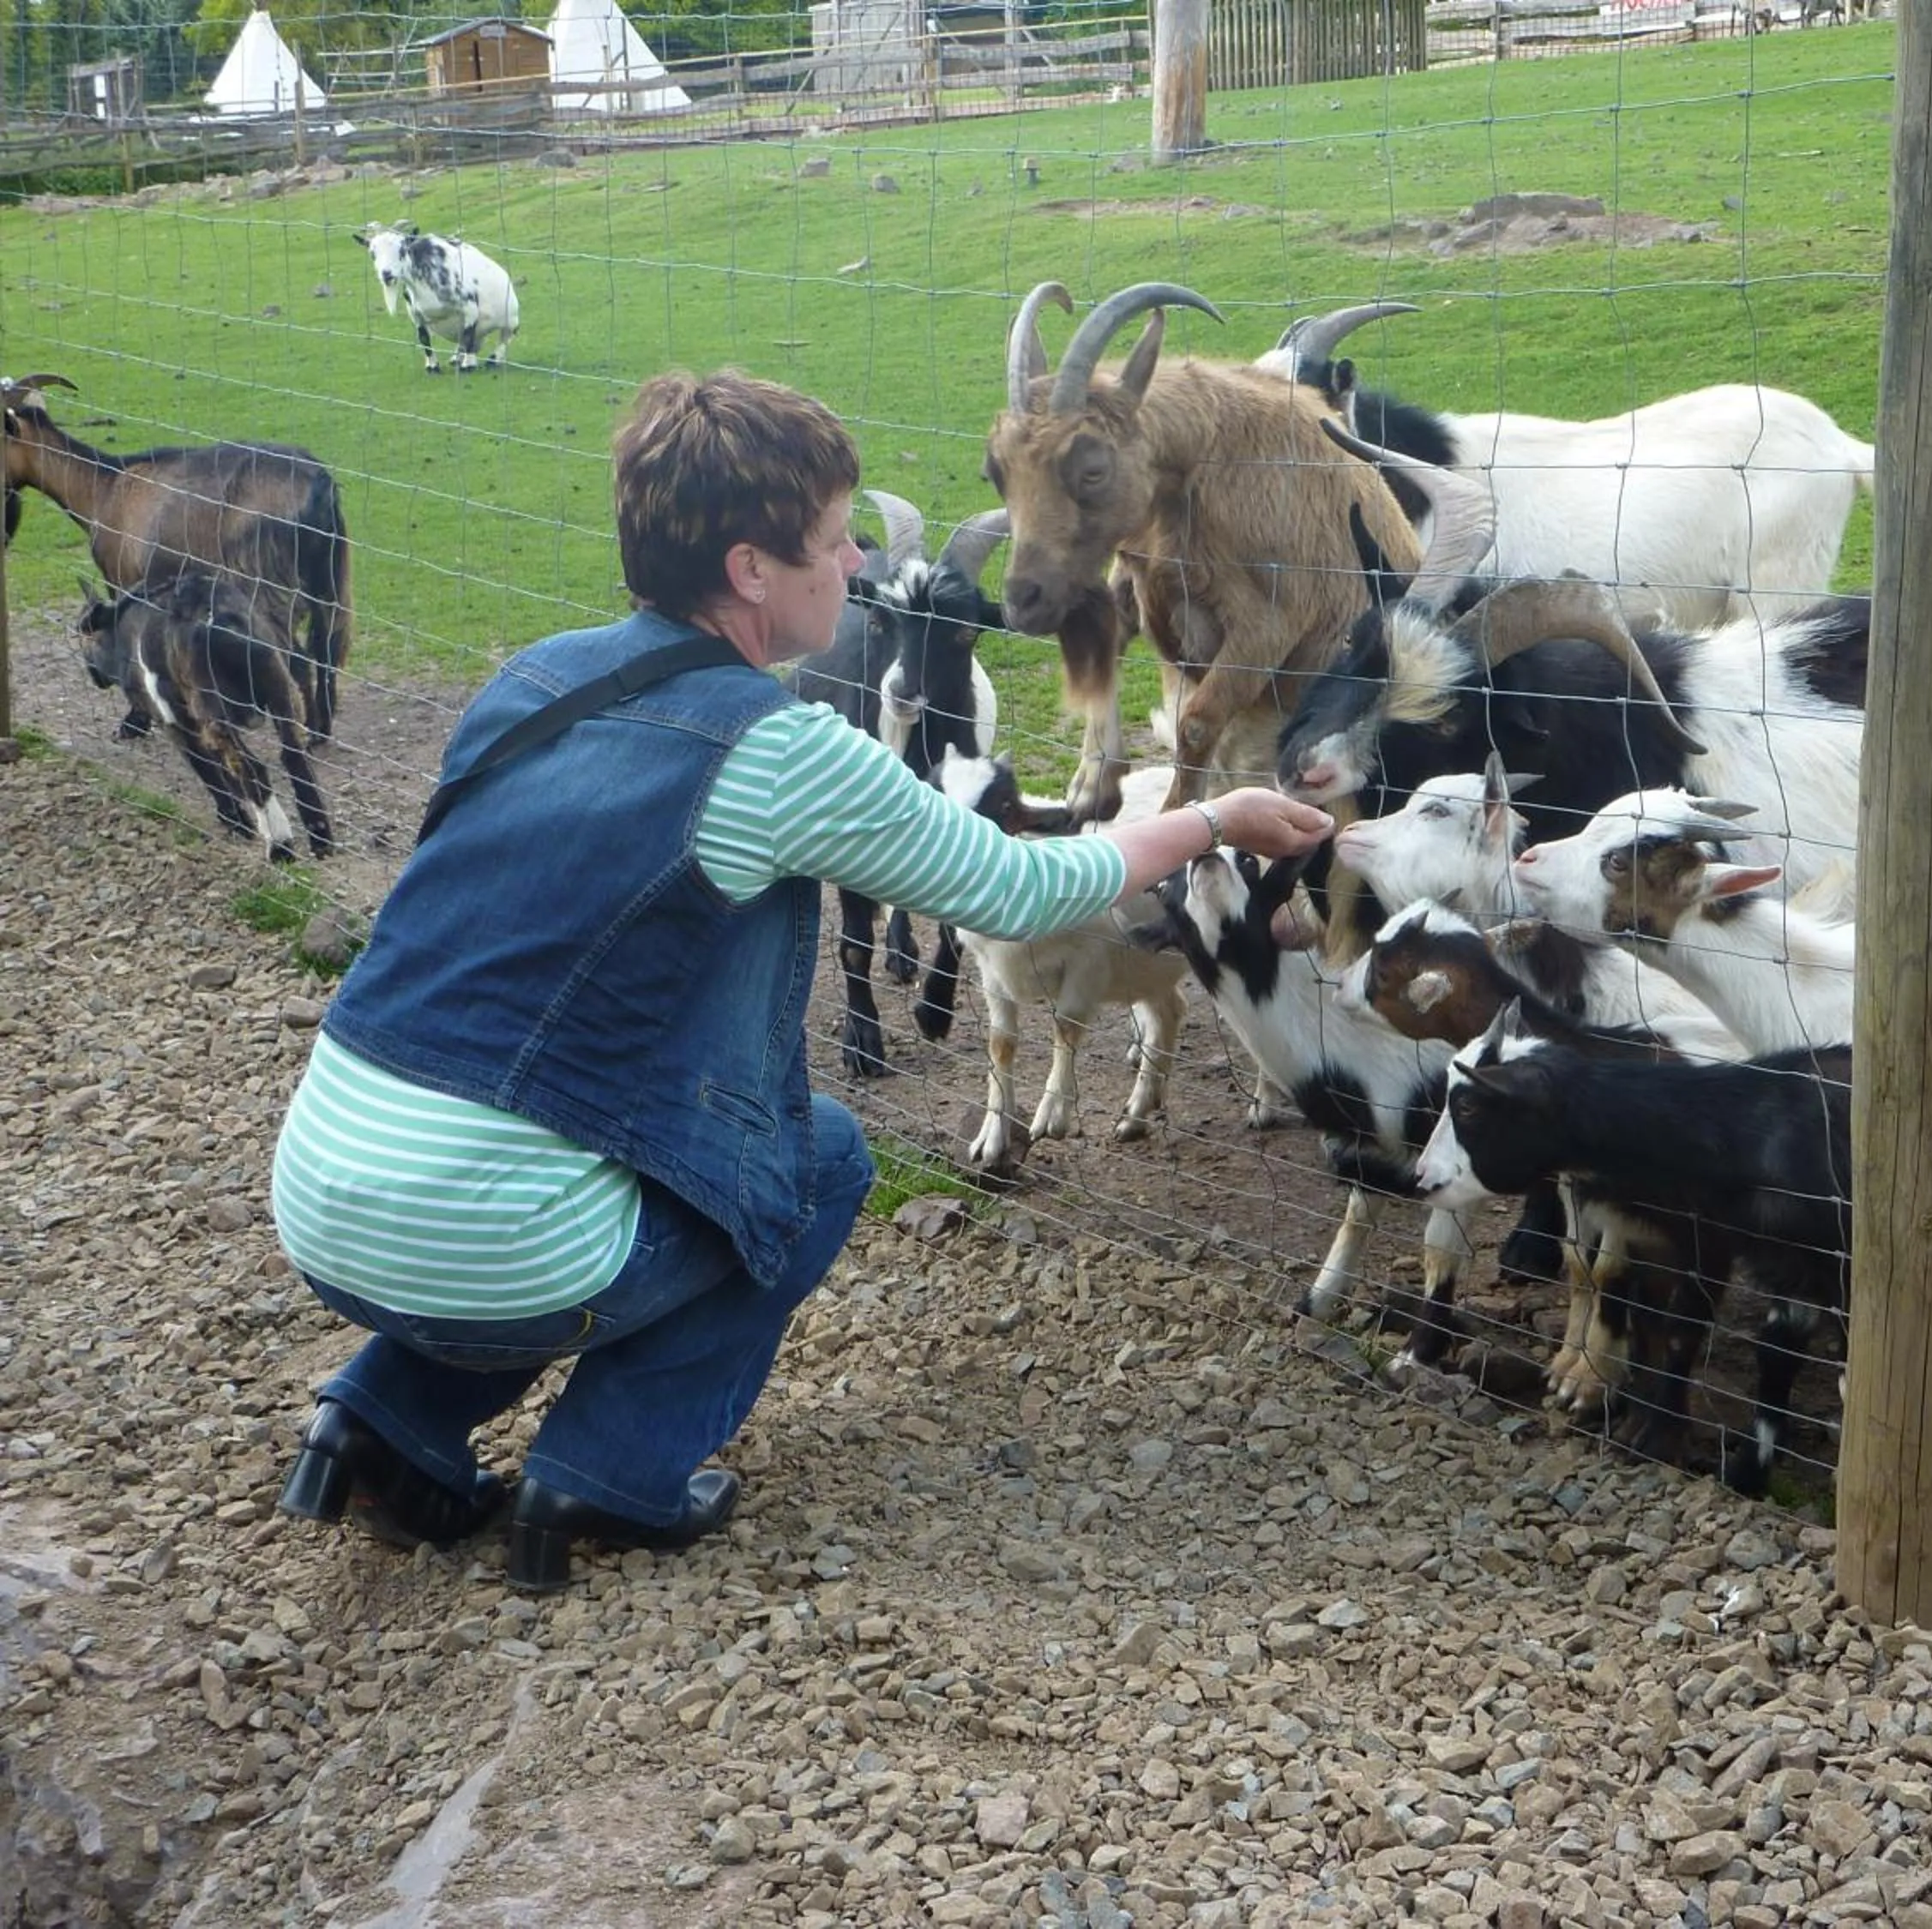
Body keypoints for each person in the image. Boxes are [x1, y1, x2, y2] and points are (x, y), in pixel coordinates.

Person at [268, 370, 1333, 1593]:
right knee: (815, 1159)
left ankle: (377, 1419)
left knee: (548, 1158)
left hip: (324, 1185)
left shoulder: (535, 677)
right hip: (492, 1241)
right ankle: (610, 1471)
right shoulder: (778, 749)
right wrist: (1215, 818)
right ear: (750, 571)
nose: (855, 565)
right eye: (832, 542)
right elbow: (1021, 890)